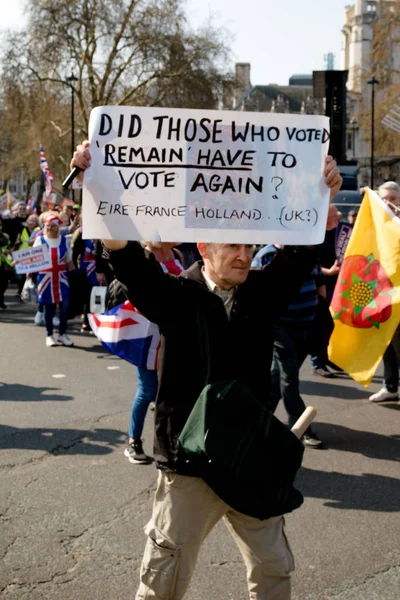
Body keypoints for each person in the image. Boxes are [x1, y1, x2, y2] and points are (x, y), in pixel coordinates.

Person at [71, 141, 342, 600]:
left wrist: (322, 191)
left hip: (251, 460)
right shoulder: (176, 296)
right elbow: (128, 259)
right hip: (188, 464)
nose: (244, 255)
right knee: (163, 578)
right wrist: (95, 182)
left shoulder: (261, 293)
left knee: (274, 571)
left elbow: (299, 256)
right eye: (232, 245)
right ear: (203, 246)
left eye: (249, 245)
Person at [252, 245, 326, 448]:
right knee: (289, 378)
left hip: (306, 326)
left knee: (278, 378)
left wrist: (321, 308)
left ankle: (259, 422)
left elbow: (319, 282)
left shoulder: (306, 253)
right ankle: (302, 428)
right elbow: (256, 289)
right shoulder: (265, 255)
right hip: (280, 328)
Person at [123, 242, 184, 464]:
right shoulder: (144, 256)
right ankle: (133, 441)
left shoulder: (176, 254)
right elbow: (138, 299)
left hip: (176, 335)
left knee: (173, 391)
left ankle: (171, 443)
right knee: (147, 389)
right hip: (149, 336)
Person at [369, 181, 400, 402]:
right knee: (386, 344)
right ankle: (390, 387)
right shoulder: (375, 223)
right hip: (383, 295)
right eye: (384, 198)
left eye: (393, 198)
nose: (388, 202)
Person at [33, 215, 75, 347]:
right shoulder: (40, 240)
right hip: (45, 279)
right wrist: (19, 264)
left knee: (64, 308)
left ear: (58, 228)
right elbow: (31, 258)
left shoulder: (64, 240)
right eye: (47, 226)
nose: (49, 228)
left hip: (61, 279)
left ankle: (62, 334)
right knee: (48, 308)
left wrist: (76, 275)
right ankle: (49, 335)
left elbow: (69, 260)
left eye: (52, 226)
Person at [0, 217, 12, 309]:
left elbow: (8, 247)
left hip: (4, 264)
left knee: (4, 284)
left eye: (0, 225)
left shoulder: (5, 236)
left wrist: (8, 252)